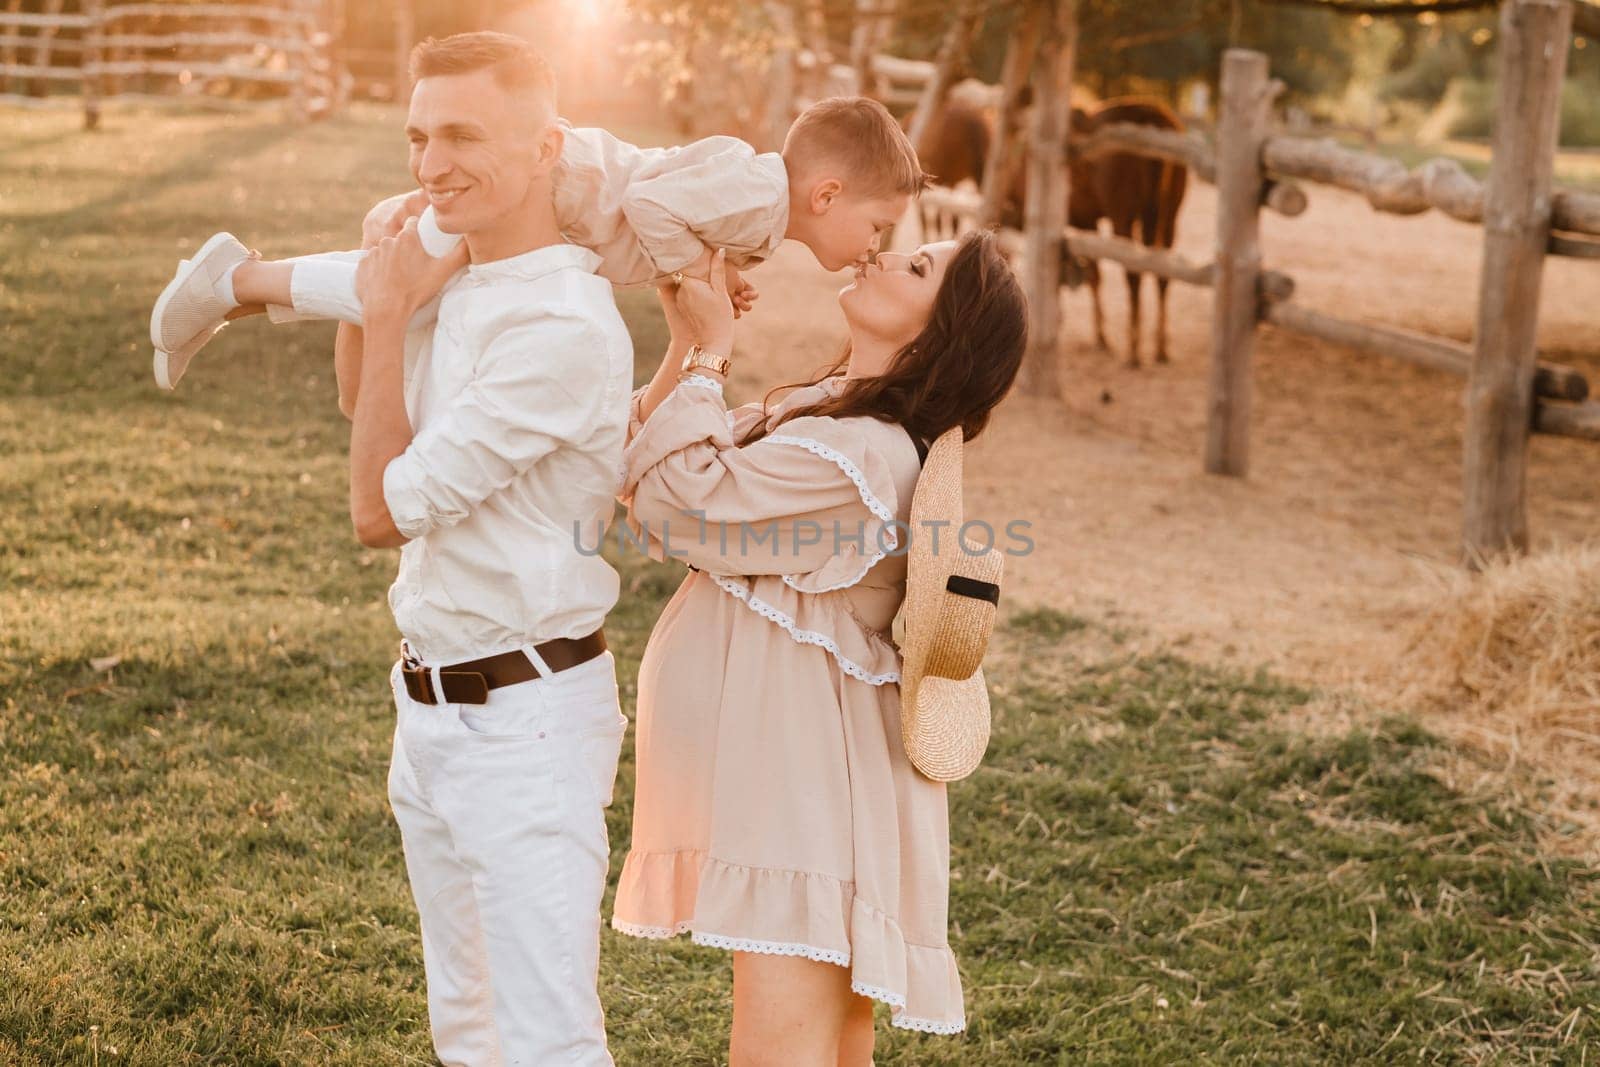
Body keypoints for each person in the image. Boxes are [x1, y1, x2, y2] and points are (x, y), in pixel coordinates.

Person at [611, 231, 1028, 1063]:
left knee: (782, 1049)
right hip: (797, 769)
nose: (882, 256)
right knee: (830, 1048)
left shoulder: (861, 456)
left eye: (917, 268)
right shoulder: (838, 414)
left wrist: (712, 354)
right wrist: (692, 343)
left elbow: (676, 504)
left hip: (805, 784)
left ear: (937, 334)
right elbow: (644, 464)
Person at [325, 33, 635, 1065]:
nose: (429, 164)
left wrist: (383, 302)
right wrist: (387, 298)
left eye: (460, 135)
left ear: (545, 146)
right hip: (430, 709)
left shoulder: (561, 323)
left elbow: (375, 509)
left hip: (527, 725)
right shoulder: (458, 282)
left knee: (545, 1040)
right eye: (417, 136)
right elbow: (366, 414)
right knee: (466, 1023)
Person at [147, 59, 927, 394]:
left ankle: (235, 293)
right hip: (552, 189)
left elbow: (674, 206)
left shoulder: (761, 205)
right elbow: (654, 210)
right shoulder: (760, 194)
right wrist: (688, 275)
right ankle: (234, 280)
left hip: (560, 197)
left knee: (411, 294)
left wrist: (710, 268)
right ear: (825, 195)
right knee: (405, 284)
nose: (876, 247)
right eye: (880, 225)